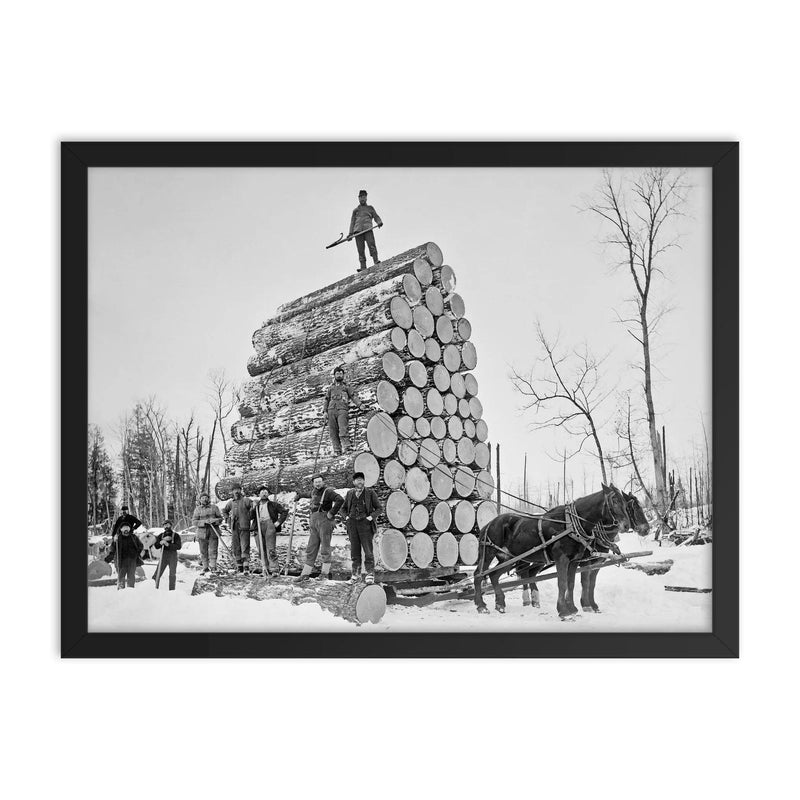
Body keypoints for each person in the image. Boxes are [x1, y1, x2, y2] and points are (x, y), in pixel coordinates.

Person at [296, 474, 343, 582]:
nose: (318, 483)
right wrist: (299, 496)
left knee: (325, 548)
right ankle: (305, 574)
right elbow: (307, 494)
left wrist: (331, 513)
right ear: (313, 483)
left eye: (319, 481)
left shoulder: (328, 492)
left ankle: (325, 574)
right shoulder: (313, 491)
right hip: (314, 521)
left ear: (323, 482)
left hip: (325, 521)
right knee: (311, 547)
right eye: (316, 482)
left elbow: (340, 500)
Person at [341, 472, 380, 584]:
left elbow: (379, 508)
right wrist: (347, 517)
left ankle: (370, 574)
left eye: (361, 479)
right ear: (354, 482)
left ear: (364, 481)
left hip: (365, 525)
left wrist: (370, 517)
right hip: (352, 525)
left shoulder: (370, 493)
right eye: (357, 480)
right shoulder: (350, 493)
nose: (359, 481)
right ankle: (355, 575)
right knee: (355, 551)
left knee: (368, 551)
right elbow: (342, 509)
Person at [323, 365, 365, 455]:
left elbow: (353, 395)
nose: (339, 375)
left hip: (342, 409)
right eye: (337, 374)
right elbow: (326, 399)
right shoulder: (330, 388)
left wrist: (360, 404)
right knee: (333, 431)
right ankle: (337, 450)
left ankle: (347, 447)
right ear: (334, 375)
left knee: (343, 429)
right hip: (331, 410)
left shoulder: (346, 386)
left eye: (341, 374)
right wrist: (325, 411)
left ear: (343, 375)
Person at [250, 485, 288, 575]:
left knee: (270, 548)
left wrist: (278, 522)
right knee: (261, 549)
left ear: (268, 494)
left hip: (270, 525)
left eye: (266, 492)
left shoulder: (273, 505)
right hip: (258, 526)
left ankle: (274, 569)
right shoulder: (257, 505)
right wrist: (253, 508)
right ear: (259, 494)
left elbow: (284, 512)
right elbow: (250, 516)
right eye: (262, 492)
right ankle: (265, 569)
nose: (264, 493)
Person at [348, 189, 383, 272]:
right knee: (360, 249)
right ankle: (363, 266)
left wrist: (379, 222)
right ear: (358, 198)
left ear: (366, 198)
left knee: (371, 245)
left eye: (363, 197)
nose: (362, 199)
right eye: (360, 197)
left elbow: (376, 216)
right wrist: (350, 234)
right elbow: (352, 222)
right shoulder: (355, 210)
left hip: (368, 229)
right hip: (358, 231)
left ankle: (376, 260)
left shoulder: (370, 208)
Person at [223, 484, 254, 574]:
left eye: (238, 489)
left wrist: (250, 515)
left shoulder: (245, 500)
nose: (236, 491)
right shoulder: (231, 502)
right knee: (236, 547)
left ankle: (246, 567)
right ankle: (239, 566)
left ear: (241, 490)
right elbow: (224, 511)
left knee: (245, 546)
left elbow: (253, 505)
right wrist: (228, 519)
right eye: (234, 490)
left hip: (244, 527)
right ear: (232, 492)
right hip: (234, 527)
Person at [104, 524, 144, 590]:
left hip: (132, 561)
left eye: (127, 528)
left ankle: (130, 590)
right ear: (121, 529)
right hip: (121, 561)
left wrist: (136, 554)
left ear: (129, 529)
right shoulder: (118, 538)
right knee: (121, 577)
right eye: (124, 528)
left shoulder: (133, 537)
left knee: (131, 576)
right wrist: (114, 542)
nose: (126, 530)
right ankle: (121, 591)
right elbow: (113, 549)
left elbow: (141, 546)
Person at [192, 491, 223, 574]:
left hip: (213, 532)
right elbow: (194, 522)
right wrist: (204, 522)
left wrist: (214, 521)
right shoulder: (197, 509)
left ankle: (213, 566)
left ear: (208, 499)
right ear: (200, 500)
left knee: (213, 550)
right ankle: (205, 567)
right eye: (202, 498)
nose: (204, 499)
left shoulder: (214, 507)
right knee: (203, 551)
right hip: (202, 533)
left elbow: (220, 519)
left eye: (206, 498)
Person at [153, 519, 182, 590]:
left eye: (168, 524)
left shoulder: (176, 535)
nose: (166, 526)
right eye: (164, 525)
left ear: (171, 525)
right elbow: (156, 546)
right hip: (164, 556)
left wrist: (167, 544)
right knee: (157, 573)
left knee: (172, 574)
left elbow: (178, 546)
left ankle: (171, 591)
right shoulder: (161, 535)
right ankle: (153, 589)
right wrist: (160, 543)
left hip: (173, 556)